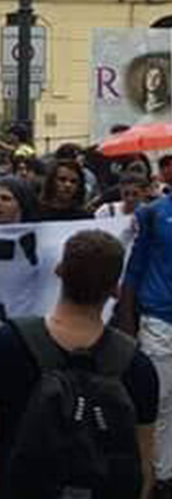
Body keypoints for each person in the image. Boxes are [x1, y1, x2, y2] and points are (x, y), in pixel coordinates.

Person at [0, 229, 157, 499]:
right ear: (114, 290)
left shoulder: (7, 343)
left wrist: (2, 483)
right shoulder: (137, 365)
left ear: (59, 271)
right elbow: (143, 461)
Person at [118, 185, 172, 495]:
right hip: (159, 322)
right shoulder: (153, 214)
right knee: (156, 403)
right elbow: (133, 268)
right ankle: (153, 478)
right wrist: (127, 323)